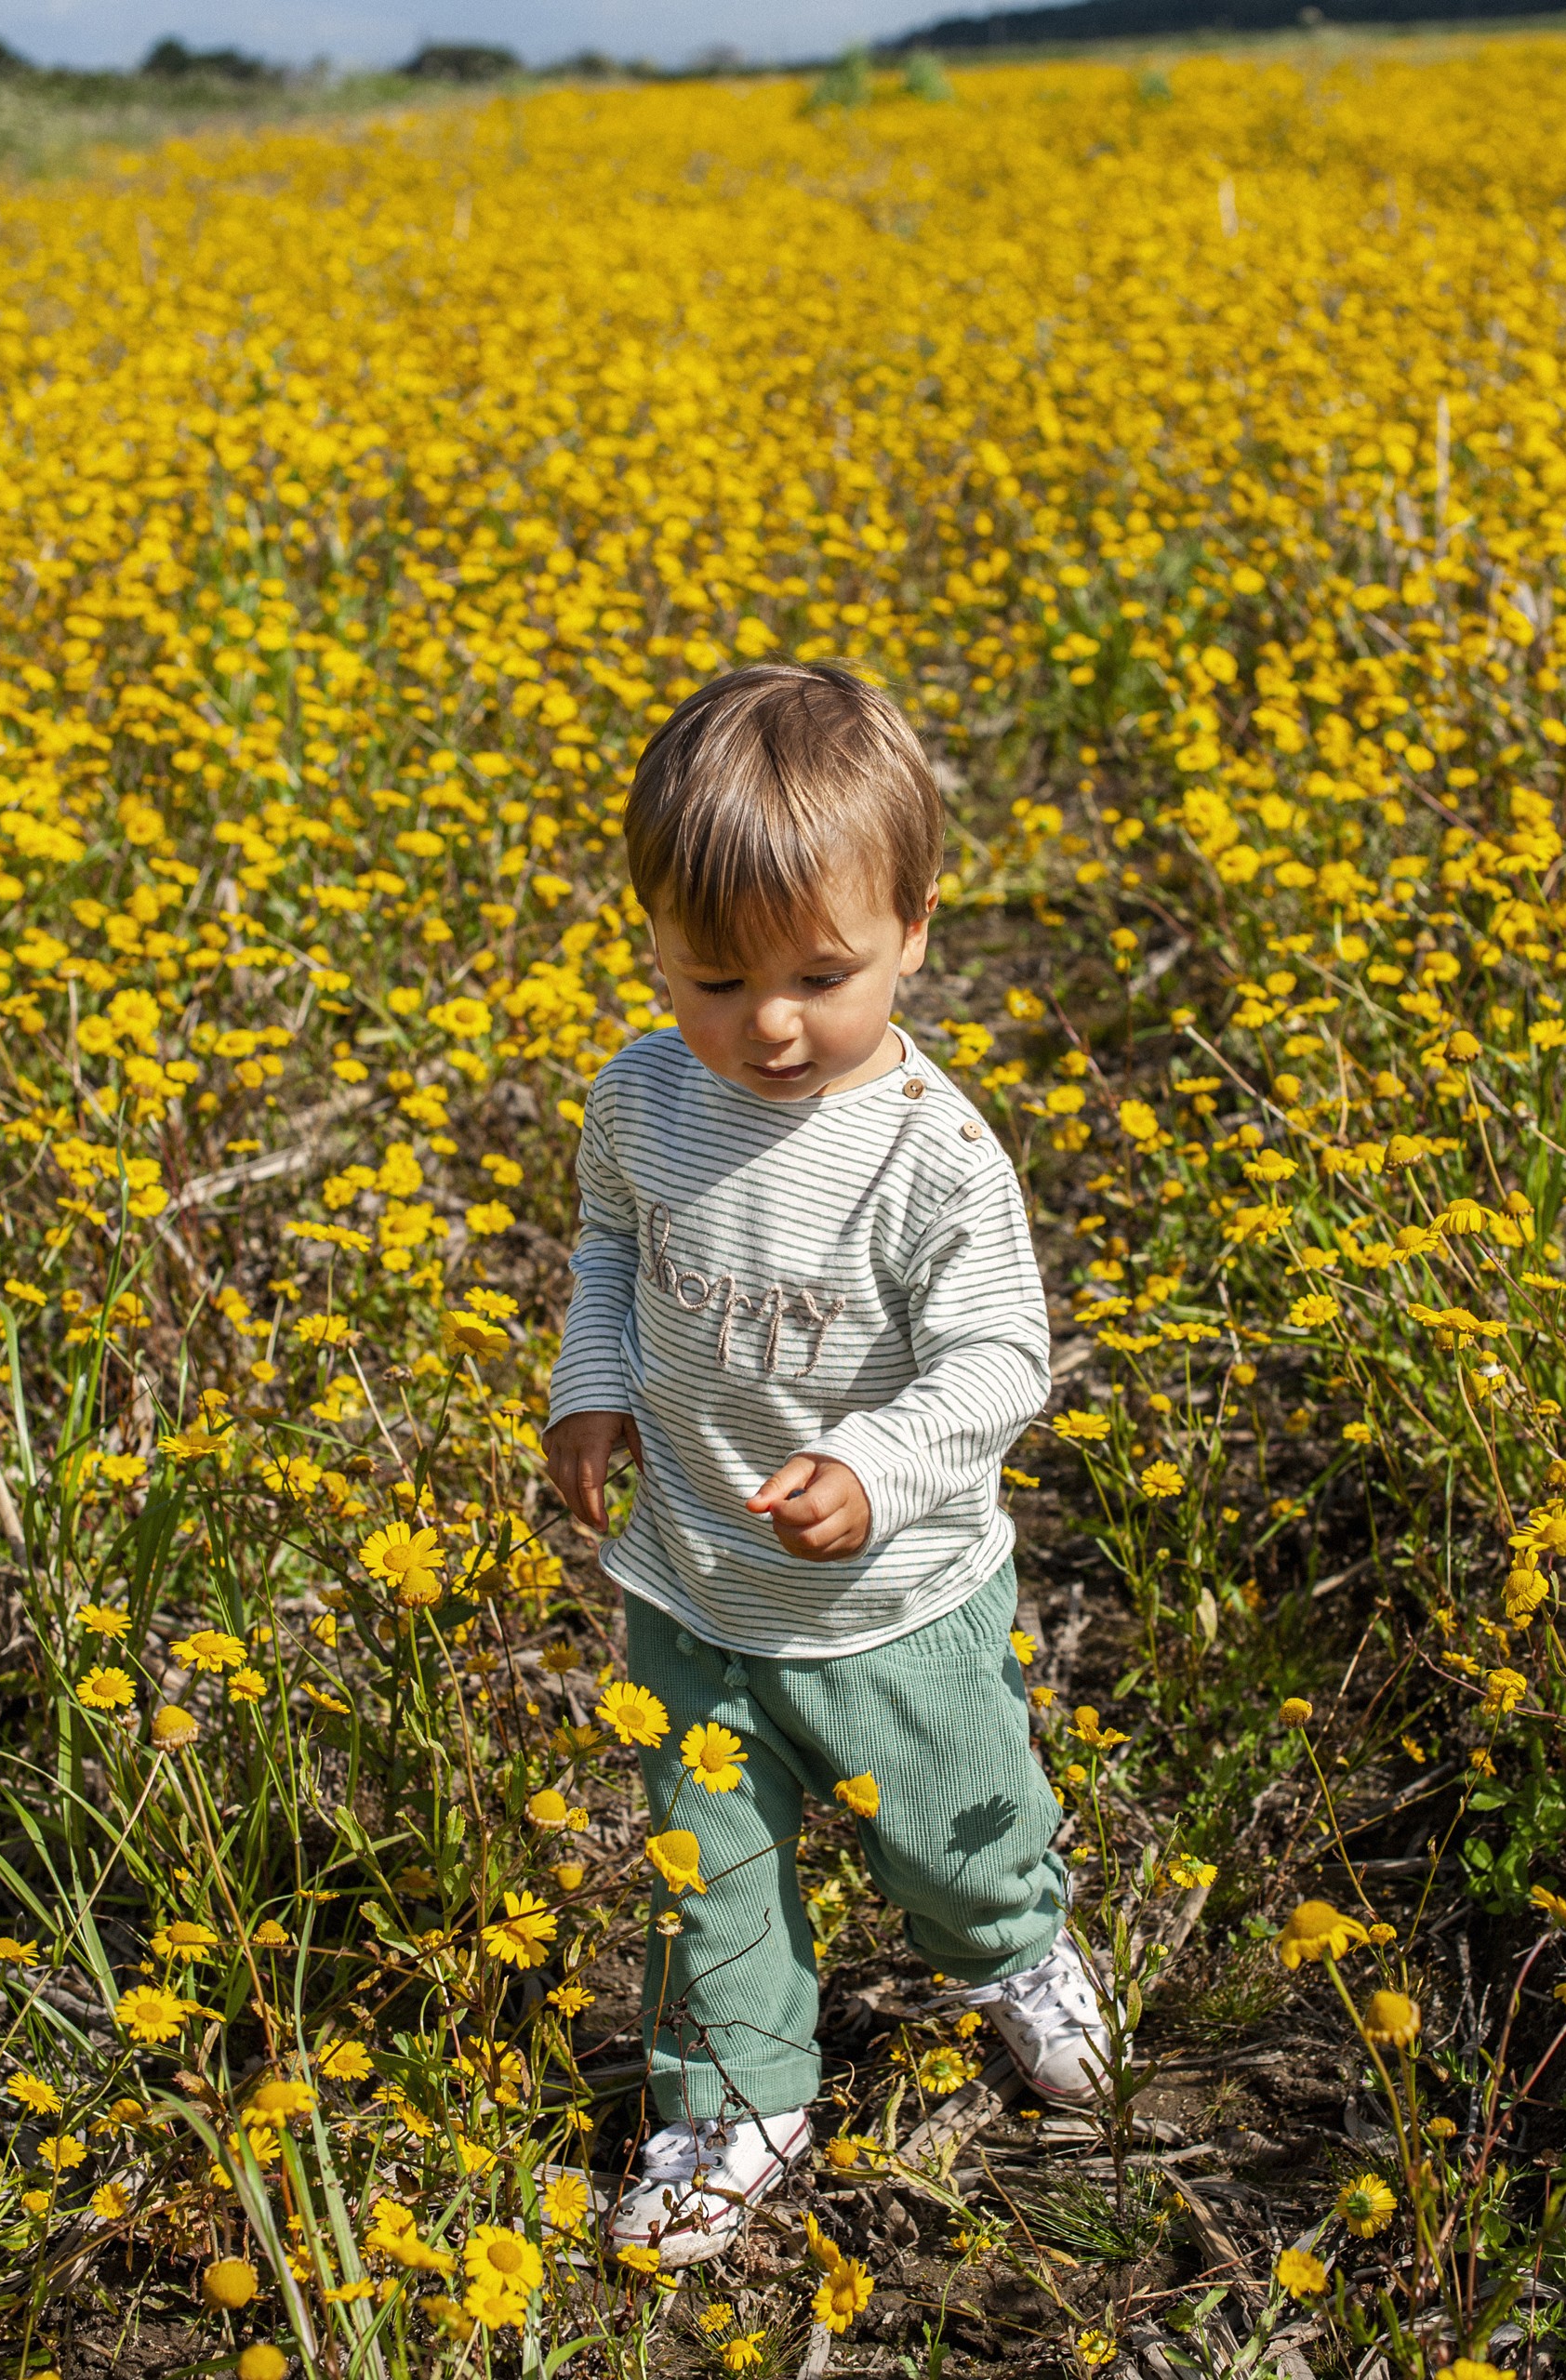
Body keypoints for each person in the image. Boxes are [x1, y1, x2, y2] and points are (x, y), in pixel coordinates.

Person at [544, 661, 1110, 2267]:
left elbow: (1001, 1362)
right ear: (653, 941)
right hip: (694, 1588)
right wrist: (595, 1388)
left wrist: (872, 1464)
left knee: (953, 1841)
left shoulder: (934, 1154)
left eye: (821, 974)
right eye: (714, 978)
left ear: (916, 928)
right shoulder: (644, 1096)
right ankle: (736, 2097)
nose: (770, 1024)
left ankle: (1012, 1952)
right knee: (707, 1869)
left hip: (894, 1603)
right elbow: (610, 1247)